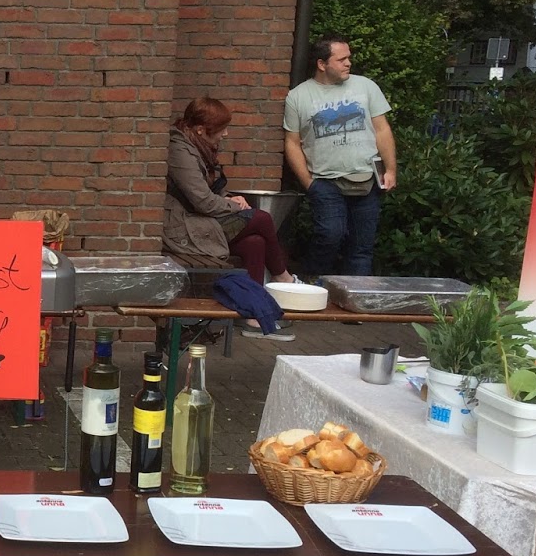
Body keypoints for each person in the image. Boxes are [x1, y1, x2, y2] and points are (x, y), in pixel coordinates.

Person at [164, 97, 299, 340]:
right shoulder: (179, 151)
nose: (225, 134)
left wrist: (229, 198)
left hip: (199, 219)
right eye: (221, 128)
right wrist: (232, 205)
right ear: (201, 129)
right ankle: (283, 276)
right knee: (262, 219)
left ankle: (254, 317)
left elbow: (209, 191)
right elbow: (202, 201)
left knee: (255, 243)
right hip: (183, 227)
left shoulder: (196, 145)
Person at [283, 36, 396, 277]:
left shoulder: (366, 87)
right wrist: (308, 183)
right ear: (321, 64)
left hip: (367, 179)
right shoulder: (299, 96)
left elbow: (382, 130)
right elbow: (292, 142)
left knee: (361, 248)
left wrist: (391, 170)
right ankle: (312, 287)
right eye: (341, 59)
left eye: (349, 58)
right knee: (329, 236)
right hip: (325, 182)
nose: (348, 63)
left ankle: (354, 299)